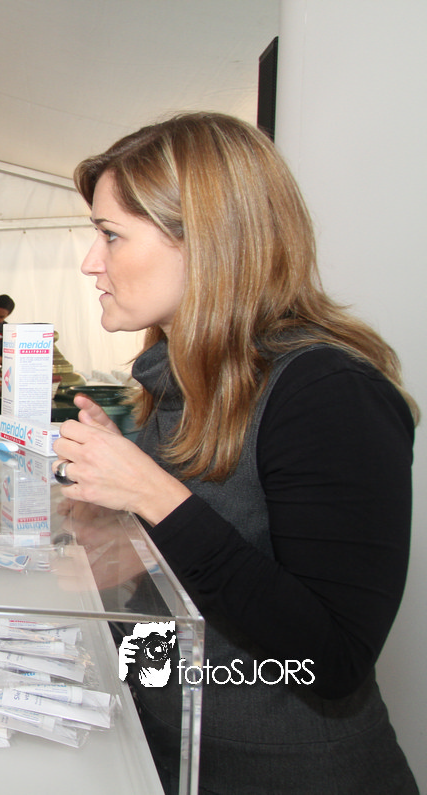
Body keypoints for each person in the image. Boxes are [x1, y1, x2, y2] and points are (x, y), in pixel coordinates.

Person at [54, 112, 418, 793]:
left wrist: (154, 495)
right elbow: (205, 596)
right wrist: (120, 538)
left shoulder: (329, 391)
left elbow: (332, 659)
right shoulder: (177, 383)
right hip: (176, 752)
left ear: (206, 241)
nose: (91, 262)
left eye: (111, 234)